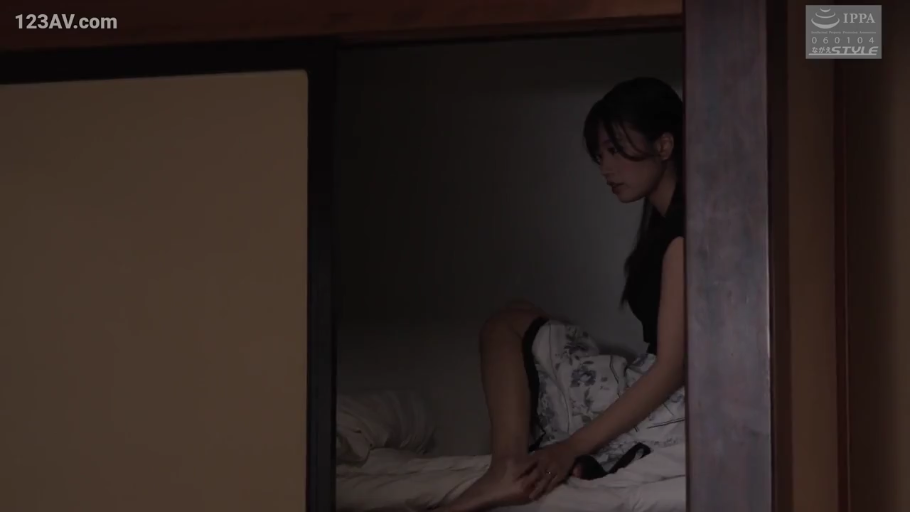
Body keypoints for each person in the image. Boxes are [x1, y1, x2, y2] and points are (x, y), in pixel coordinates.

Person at [440, 77, 687, 512]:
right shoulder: (670, 227)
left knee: (506, 325)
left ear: (664, 145)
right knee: (519, 314)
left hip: (670, 400)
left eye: (615, 150)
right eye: (600, 155)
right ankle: (520, 466)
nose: (605, 168)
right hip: (666, 386)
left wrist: (568, 447)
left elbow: (671, 368)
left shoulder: (683, 236)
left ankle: (507, 469)